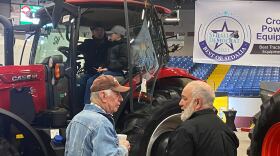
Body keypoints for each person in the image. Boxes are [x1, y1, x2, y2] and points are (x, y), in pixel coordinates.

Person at [166, 80, 239, 156]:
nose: (180, 103)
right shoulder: (227, 131)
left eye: (185, 99)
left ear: (197, 103)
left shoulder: (185, 131)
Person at [65, 75, 131, 156]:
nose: (121, 99)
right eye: (117, 94)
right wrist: (123, 148)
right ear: (103, 96)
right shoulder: (102, 123)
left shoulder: (76, 119)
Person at [83, 25, 128, 104]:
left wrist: (108, 68)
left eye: (112, 34)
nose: (110, 36)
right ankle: (87, 104)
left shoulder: (124, 46)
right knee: (90, 80)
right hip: (110, 70)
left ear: (118, 35)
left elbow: (123, 62)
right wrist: (102, 66)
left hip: (117, 71)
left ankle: (92, 105)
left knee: (94, 82)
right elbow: (107, 60)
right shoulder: (112, 45)